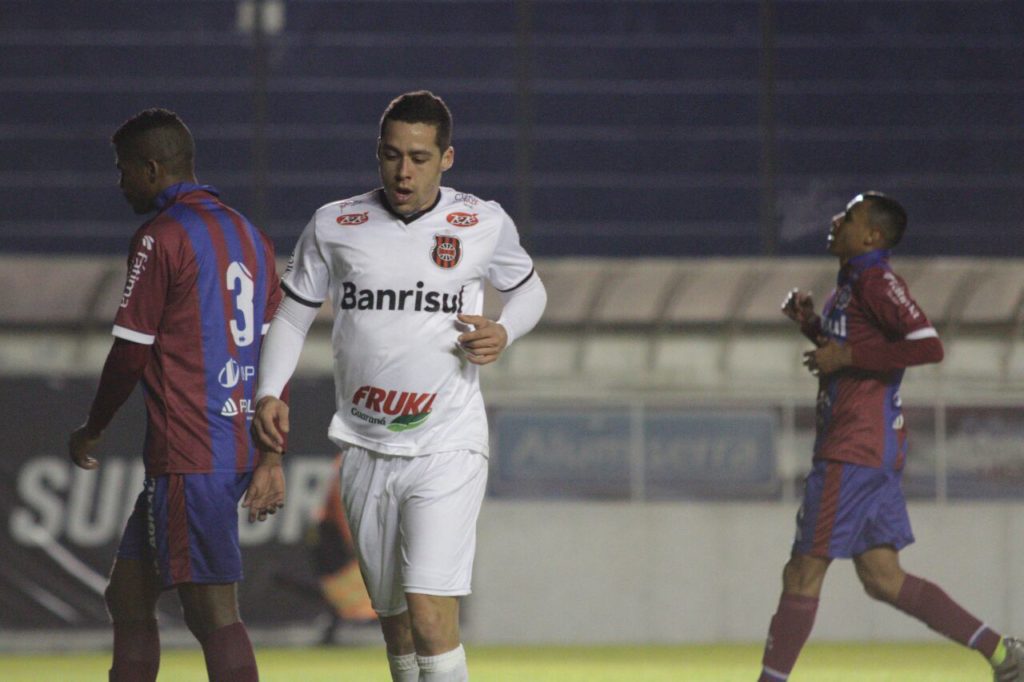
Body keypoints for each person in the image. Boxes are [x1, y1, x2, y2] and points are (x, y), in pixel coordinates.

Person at [251, 90, 547, 681]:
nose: (403, 170)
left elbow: (530, 289)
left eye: (418, 156)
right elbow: (291, 316)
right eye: (391, 156)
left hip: (447, 445)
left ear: (447, 158)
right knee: (397, 629)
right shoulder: (336, 223)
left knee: (432, 616)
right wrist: (267, 392)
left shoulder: (481, 222)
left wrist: (504, 331)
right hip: (365, 451)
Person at [757, 192, 1023, 682]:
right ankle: (1002, 653)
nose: (837, 220)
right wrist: (813, 327)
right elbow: (852, 353)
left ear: (872, 236)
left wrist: (847, 356)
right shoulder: (850, 287)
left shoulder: (877, 281)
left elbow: (929, 346)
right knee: (883, 579)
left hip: (854, 448)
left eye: (850, 216)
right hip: (870, 448)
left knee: (802, 573)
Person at [67, 108, 285, 682]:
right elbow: (273, 359)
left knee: (211, 612)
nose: (120, 184)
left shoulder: (159, 238)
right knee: (129, 597)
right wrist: (269, 454)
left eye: (124, 171)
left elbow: (129, 355)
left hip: (192, 454)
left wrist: (93, 428)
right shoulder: (251, 237)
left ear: (152, 167)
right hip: (229, 442)